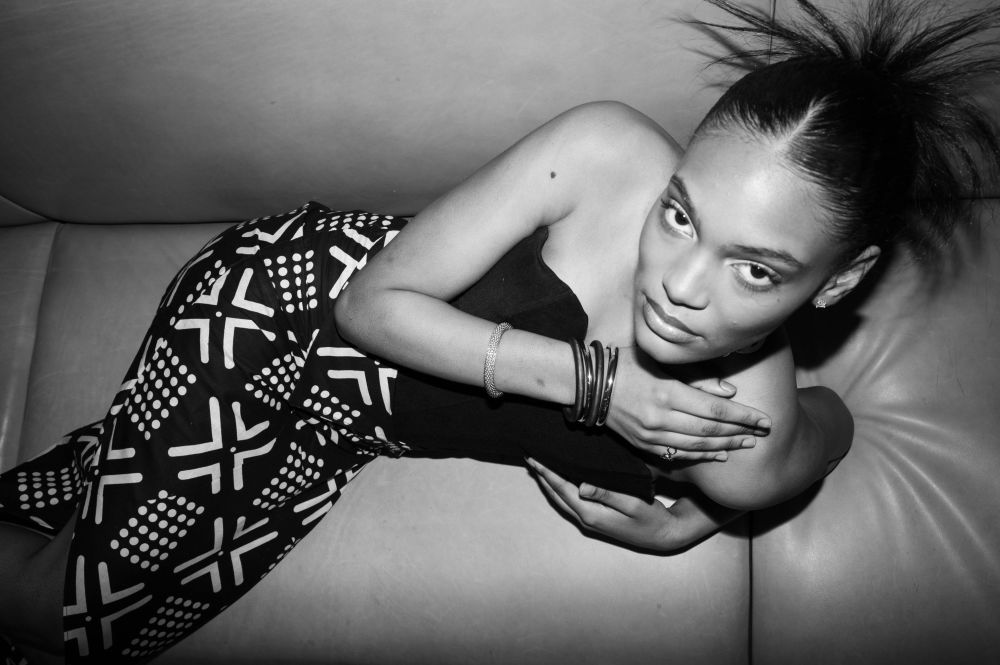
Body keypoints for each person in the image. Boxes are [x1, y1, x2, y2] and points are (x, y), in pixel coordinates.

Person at [2, 0, 998, 662]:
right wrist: (596, 383)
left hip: (341, 425)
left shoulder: (738, 444)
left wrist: (716, 510)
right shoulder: (604, 150)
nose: (678, 283)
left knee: (121, 599)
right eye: (681, 212)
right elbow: (367, 305)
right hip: (278, 308)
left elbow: (830, 421)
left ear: (842, 282)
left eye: (755, 268)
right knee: (67, 617)